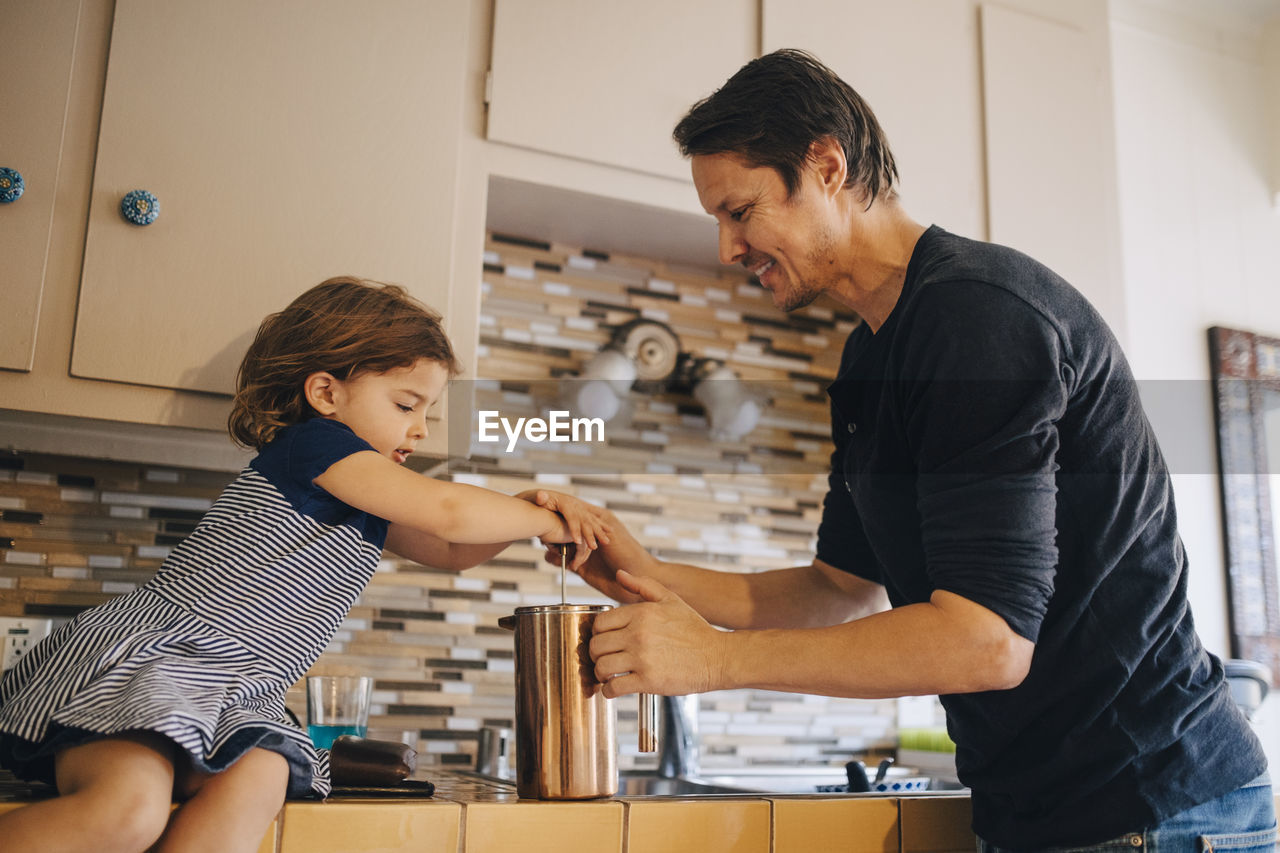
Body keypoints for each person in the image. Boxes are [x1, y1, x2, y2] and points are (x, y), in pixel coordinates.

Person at [550, 49, 1274, 851]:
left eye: (740, 211)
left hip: (1155, 807)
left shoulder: (976, 317)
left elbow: (986, 641)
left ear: (826, 165)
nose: (728, 247)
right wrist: (643, 573)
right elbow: (840, 589)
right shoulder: (870, 357)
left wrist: (714, 662)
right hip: (1044, 813)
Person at [0, 276, 610, 853]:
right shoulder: (316, 446)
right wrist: (547, 516)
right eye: (406, 404)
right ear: (325, 394)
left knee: (260, 780)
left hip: (242, 693)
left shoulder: (366, 490)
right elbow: (449, 512)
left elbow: (451, 549)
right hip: (168, 662)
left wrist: (528, 513)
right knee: (127, 812)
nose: (420, 430)